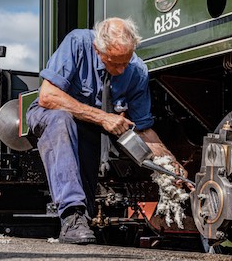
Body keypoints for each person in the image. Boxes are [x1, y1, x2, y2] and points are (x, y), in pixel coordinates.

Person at [26, 17, 189, 244]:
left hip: (90, 126)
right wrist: (103, 117)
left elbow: (144, 129)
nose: (121, 70)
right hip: (50, 115)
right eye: (114, 62)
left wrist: (170, 164)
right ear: (97, 49)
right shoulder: (77, 42)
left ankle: (83, 217)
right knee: (62, 119)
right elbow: (47, 96)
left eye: (126, 61)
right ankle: (72, 215)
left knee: (89, 202)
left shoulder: (137, 71)